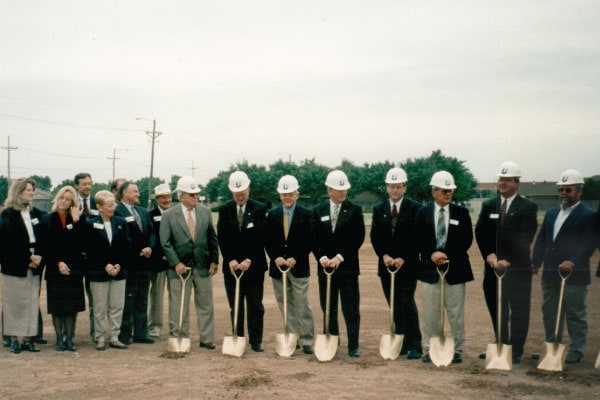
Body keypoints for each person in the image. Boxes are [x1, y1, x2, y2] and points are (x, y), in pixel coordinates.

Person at [475, 161, 538, 364]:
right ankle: (501, 343)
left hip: (517, 268)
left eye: (507, 180)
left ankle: (516, 349)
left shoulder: (528, 207)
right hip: (493, 268)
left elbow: (525, 236)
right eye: (501, 179)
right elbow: (482, 233)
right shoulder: (488, 206)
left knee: (519, 310)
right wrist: (490, 255)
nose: (502, 183)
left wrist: (508, 259)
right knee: (497, 307)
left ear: (517, 183)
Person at [532, 169, 596, 364]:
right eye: (561, 190)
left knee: (575, 313)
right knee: (550, 311)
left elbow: (589, 243)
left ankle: (576, 350)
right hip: (551, 272)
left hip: (574, 274)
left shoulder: (589, 215)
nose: (563, 194)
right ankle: (552, 345)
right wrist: (536, 262)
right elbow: (543, 239)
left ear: (579, 192)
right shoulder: (552, 212)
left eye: (568, 190)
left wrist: (574, 261)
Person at [414, 171, 473, 364]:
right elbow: (417, 238)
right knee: (430, 312)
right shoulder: (422, 213)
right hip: (429, 270)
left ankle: (457, 349)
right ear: (434, 191)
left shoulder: (461, 213)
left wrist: (446, 254)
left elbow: (466, 240)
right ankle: (428, 348)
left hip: (455, 270)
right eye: (444, 190)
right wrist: (432, 253)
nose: (448, 194)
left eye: (450, 191)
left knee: (456, 313)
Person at [160, 176, 219, 348]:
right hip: (180, 268)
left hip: (202, 266)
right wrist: (176, 263)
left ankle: (207, 339)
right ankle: (179, 337)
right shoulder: (169, 215)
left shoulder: (205, 212)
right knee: (178, 305)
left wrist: (214, 260)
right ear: (181, 196)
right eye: (192, 195)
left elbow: (212, 238)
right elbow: (166, 242)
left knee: (206, 304)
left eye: (197, 194)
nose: (196, 198)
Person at [311, 170, 365, 357]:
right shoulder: (318, 211)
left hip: (347, 268)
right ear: (329, 190)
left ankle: (353, 345)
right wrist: (323, 258)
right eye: (338, 189)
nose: (343, 192)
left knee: (351, 308)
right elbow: (313, 239)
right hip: (325, 268)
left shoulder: (355, 210)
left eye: (345, 189)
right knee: (328, 307)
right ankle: (332, 340)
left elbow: (357, 237)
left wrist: (339, 257)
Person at [370, 167, 422, 360]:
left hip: (407, 266)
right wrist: (384, 255)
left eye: (398, 186)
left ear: (404, 188)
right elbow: (376, 236)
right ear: (386, 187)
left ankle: (415, 344)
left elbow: (416, 237)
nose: (395, 190)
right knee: (394, 304)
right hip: (386, 265)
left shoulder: (415, 208)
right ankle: (400, 342)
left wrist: (403, 257)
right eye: (392, 187)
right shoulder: (379, 208)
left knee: (406, 303)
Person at [218, 170, 268, 352]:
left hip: (253, 267)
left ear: (249, 188)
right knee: (236, 305)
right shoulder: (224, 210)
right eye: (236, 193)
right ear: (231, 192)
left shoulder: (259, 208)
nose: (240, 196)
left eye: (243, 192)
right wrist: (230, 259)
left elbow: (261, 237)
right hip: (232, 268)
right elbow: (222, 237)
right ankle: (237, 338)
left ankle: (256, 341)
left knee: (255, 305)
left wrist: (249, 259)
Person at [265, 175, 315, 355]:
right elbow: (267, 240)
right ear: (279, 195)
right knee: (285, 304)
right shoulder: (272, 215)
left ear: (297, 194)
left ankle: (307, 339)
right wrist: (275, 257)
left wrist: (297, 257)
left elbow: (310, 241)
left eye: (290, 193)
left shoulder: (307, 215)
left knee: (302, 303)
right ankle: (294, 337)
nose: (287, 197)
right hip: (278, 268)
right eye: (284, 193)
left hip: (299, 267)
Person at [0, 178, 46, 354]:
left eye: (32, 190)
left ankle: (29, 338)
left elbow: (43, 236)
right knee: (14, 303)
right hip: (14, 265)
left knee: (31, 301)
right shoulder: (8, 214)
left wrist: (38, 256)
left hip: (36, 263)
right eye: (28, 190)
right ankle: (14, 339)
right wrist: (29, 257)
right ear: (18, 192)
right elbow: (9, 242)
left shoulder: (37, 214)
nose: (32, 193)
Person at [39, 186, 87, 351]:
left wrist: (75, 222)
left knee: (71, 306)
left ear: (73, 202)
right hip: (54, 267)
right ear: (56, 199)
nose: (63, 201)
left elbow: (79, 243)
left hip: (74, 268)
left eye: (67, 199)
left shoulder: (79, 219)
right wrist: (58, 262)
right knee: (57, 306)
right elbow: (47, 245)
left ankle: (70, 338)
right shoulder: (47, 219)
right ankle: (60, 338)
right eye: (61, 198)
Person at [86, 190, 131, 350]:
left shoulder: (121, 222)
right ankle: (99, 337)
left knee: (117, 306)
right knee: (99, 307)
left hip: (119, 272)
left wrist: (119, 264)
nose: (112, 208)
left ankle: (114, 336)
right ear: (99, 206)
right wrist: (105, 265)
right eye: (108, 205)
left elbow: (126, 246)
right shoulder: (90, 224)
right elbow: (91, 249)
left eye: (113, 205)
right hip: (98, 272)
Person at [115, 181, 155, 345]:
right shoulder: (118, 211)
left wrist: (150, 248)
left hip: (145, 264)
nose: (138, 194)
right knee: (128, 299)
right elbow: (122, 238)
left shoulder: (143, 211)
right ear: (124, 193)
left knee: (142, 299)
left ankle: (141, 333)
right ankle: (125, 334)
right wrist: (137, 251)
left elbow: (152, 232)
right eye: (135, 191)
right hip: (129, 264)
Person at [74, 172, 98, 341]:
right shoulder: (69, 202)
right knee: (73, 297)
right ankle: (70, 333)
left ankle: (96, 332)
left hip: (94, 259)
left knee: (96, 298)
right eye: (84, 184)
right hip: (75, 258)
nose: (88, 187)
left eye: (90, 183)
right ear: (77, 185)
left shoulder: (97, 203)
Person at [148, 183, 173, 338]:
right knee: (156, 295)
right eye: (163, 197)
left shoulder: (177, 213)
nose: (166, 200)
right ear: (157, 199)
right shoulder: (150, 215)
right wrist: (161, 255)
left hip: (175, 263)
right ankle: (155, 325)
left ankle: (175, 325)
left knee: (175, 295)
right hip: (158, 263)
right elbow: (152, 238)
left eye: (169, 196)